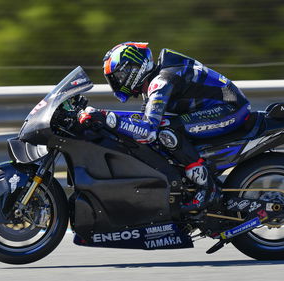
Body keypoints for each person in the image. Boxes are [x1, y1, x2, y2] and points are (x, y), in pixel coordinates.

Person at [78, 42, 251, 213]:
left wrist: (108, 118)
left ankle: (207, 188)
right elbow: (140, 121)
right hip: (215, 109)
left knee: (166, 130)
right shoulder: (154, 80)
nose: (117, 81)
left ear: (134, 68)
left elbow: (148, 131)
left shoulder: (161, 81)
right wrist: (102, 116)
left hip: (230, 110)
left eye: (119, 75)